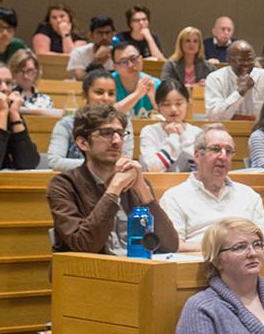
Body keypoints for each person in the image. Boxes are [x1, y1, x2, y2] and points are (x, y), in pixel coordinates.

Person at [46, 103, 178, 255]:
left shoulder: (135, 183)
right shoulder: (63, 186)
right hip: (90, 273)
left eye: (120, 134)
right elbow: (83, 245)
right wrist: (113, 190)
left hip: (136, 270)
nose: (116, 141)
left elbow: (169, 246)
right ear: (83, 143)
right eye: (106, 133)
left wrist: (144, 192)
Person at [176, 218, 264, 334]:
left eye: (257, 245)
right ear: (217, 261)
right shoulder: (201, 308)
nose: (252, 253)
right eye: (240, 247)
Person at [160, 127, 264, 251]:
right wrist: (225, 250)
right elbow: (175, 246)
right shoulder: (174, 197)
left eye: (229, 151)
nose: (223, 156)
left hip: (245, 264)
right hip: (199, 265)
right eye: (215, 149)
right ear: (197, 156)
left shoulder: (249, 195)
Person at [47, 69, 136, 171]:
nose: (106, 98)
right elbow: (54, 162)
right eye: (99, 92)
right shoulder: (66, 124)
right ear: (84, 95)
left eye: (111, 93)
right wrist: (98, 163)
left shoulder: (123, 123)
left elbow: (125, 160)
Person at [204, 40, 264, 121]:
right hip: (224, 129)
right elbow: (213, 117)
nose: (246, 64)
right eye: (241, 60)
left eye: (250, 59)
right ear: (229, 60)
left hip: (259, 129)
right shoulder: (215, 78)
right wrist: (240, 92)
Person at [139, 79, 202, 172]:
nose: (173, 109)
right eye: (166, 104)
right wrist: (173, 136)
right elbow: (152, 168)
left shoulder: (197, 133)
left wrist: (184, 137)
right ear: (158, 106)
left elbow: (202, 167)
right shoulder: (149, 131)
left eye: (179, 103)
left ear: (188, 103)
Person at [111, 42, 161, 118]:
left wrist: (153, 100)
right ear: (115, 67)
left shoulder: (156, 84)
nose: (130, 65)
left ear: (141, 60)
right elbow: (106, 115)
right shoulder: (108, 84)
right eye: (124, 62)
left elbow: (166, 117)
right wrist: (137, 94)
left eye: (134, 59)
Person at [67, 16, 115, 81]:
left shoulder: (120, 53)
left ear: (113, 34)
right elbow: (80, 78)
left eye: (108, 33)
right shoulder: (78, 52)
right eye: (100, 33)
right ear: (91, 35)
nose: (104, 37)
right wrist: (96, 62)